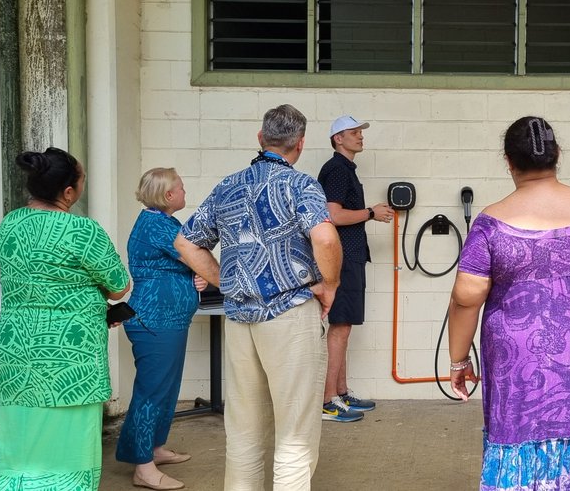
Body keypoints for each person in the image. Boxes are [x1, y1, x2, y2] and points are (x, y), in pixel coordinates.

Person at [447, 116, 570, 490]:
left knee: (521, 438)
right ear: (557, 155)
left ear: (508, 161)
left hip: (522, 360)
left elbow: (466, 298)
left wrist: (459, 359)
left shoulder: (490, 224)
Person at [174, 103, 342, 491]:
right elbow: (325, 238)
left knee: (244, 430)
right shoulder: (300, 185)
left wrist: (228, 281)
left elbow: (185, 242)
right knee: (295, 432)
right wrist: (330, 285)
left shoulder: (228, 186)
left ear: (260, 138)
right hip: (290, 312)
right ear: (300, 144)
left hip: (239, 318)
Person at [0, 147, 131, 490]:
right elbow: (118, 287)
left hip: (16, 351)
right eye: (82, 182)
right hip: (70, 358)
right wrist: (92, 295)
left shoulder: (9, 225)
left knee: (18, 451)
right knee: (68, 456)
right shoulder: (83, 231)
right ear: (68, 192)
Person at [115, 168, 208, 490]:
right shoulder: (156, 225)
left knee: (165, 390)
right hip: (155, 321)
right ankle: (143, 468)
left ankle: (153, 448)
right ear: (169, 195)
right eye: (181, 187)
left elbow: (186, 262)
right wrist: (201, 271)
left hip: (168, 320)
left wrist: (194, 276)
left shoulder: (163, 222)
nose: (184, 192)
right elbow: (195, 254)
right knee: (152, 393)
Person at [316, 115, 393, 422]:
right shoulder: (336, 169)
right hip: (342, 258)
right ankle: (327, 401)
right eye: (354, 132)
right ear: (338, 139)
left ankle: (341, 393)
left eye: (361, 132)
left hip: (351, 257)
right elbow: (333, 215)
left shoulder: (345, 169)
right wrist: (371, 212)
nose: (360, 136)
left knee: (343, 326)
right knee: (340, 327)